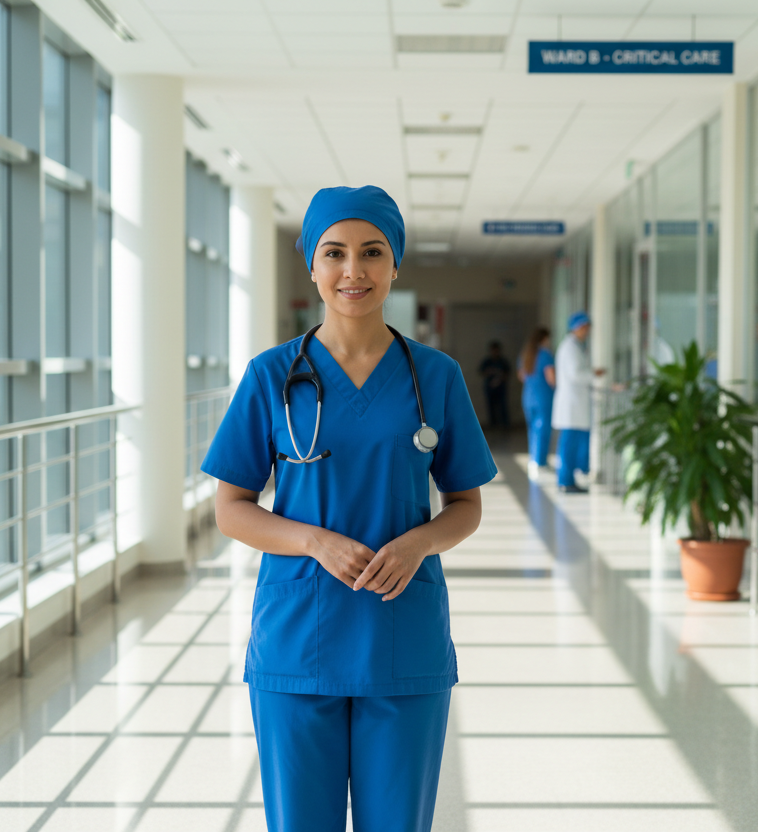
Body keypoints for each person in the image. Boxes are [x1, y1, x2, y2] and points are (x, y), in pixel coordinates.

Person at [202, 185, 497, 832]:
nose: (352, 271)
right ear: (312, 264)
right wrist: (313, 541)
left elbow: (466, 504)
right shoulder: (270, 376)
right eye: (334, 253)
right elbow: (231, 507)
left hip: (403, 640)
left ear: (395, 265)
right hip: (297, 640)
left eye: (372, 252)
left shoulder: (436, 375)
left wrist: (419, 542)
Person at [552, 311, 604, 493]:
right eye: (586, 328)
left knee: (572, 446)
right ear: (578, 328)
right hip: (571, 405)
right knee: (568, 447)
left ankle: (568, 480)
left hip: (575, 405)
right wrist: (593, 374)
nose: (587, 331)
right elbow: (575, 374)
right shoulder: (570, 347)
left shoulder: (575, 346)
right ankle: (565, 482)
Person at [517, 326, 555, 479]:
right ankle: (540, 463)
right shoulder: (545, 354)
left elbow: (521, 376)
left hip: (528, 396)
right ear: (544, 338)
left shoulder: (525, 354)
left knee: (532, 429)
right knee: (543, 429)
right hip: (543, 397)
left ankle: (534, 459)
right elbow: (551, 377)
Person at [478, 341, 511, 428]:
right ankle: (493, 425)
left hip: (501, 388)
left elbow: (507, 373)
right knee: (491, 407)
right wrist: (489, 372)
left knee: (503, 407)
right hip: (490, 388)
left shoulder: (503, 361)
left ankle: (504, 424)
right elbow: (481, 372)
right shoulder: (487, 361)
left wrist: (500, 378)